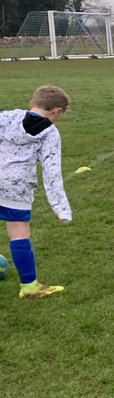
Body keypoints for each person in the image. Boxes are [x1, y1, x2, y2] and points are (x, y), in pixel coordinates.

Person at [0, 85, 72, 298]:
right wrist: (62, 209)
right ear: (58, 111)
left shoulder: (9, 116)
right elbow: (52, 174)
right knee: (19, 232)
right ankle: (29, 287)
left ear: (31, 104)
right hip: (17, 187)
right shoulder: (50, 133)